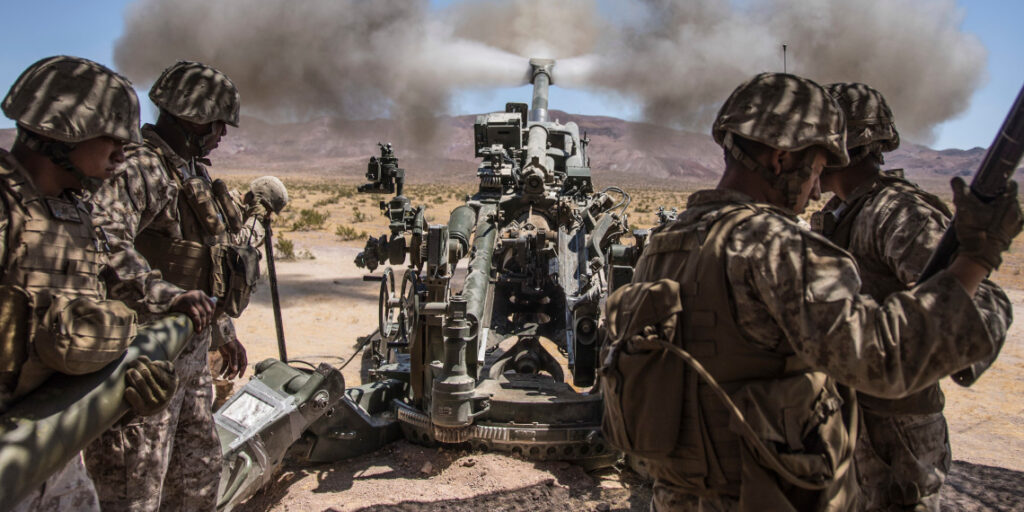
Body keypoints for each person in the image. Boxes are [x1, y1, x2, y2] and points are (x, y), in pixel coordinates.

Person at [602, 72, 1021, 511]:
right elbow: (883, 357)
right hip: (760, 497)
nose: (817, 189)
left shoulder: (664, 243)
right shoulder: (772, 245)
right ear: (781, 160)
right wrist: (979, 259)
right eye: (817, 170)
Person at [0, 55, 214, 511]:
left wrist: (123, 385)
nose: (123, 151)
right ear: (63, 130)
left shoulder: (73, 214)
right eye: (112, 138)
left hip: (50, 454)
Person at [813, 82, 1012, 511]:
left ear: (845, 144)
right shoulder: (839, 215)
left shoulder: (898, 213)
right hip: (851, 419)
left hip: (896, 431)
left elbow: (976, 300)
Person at [84, 60, 255, 511]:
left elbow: (206, 263)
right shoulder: (141, 167)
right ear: (191, 116)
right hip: (142, 361)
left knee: (196, 479)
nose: (223, 132)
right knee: (134, 491)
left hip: (191, 359)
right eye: (217, 121)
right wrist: (166, 295)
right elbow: (103, 241)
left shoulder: (190, 171)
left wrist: (222, 332)